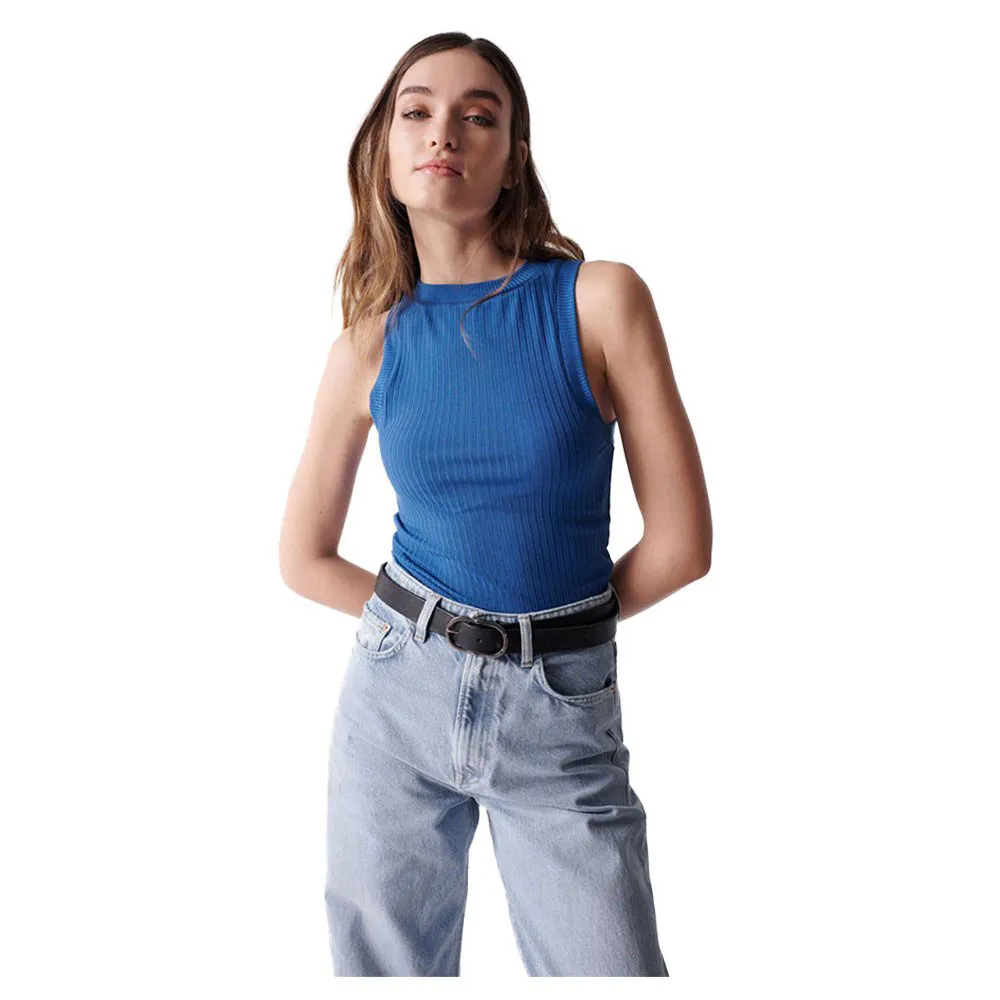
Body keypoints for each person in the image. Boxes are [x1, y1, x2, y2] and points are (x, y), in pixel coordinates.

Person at [279, 31, 712, 977]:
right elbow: (302, 557)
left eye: (479, 117)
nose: (445, 133)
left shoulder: (598, 301)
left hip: (559, 705)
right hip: (394, 706)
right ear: (384, 153)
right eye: (418, 112)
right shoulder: (367, 345)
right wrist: (430, 633)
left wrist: (545, 637)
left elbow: (682, 545)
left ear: (514, 159)